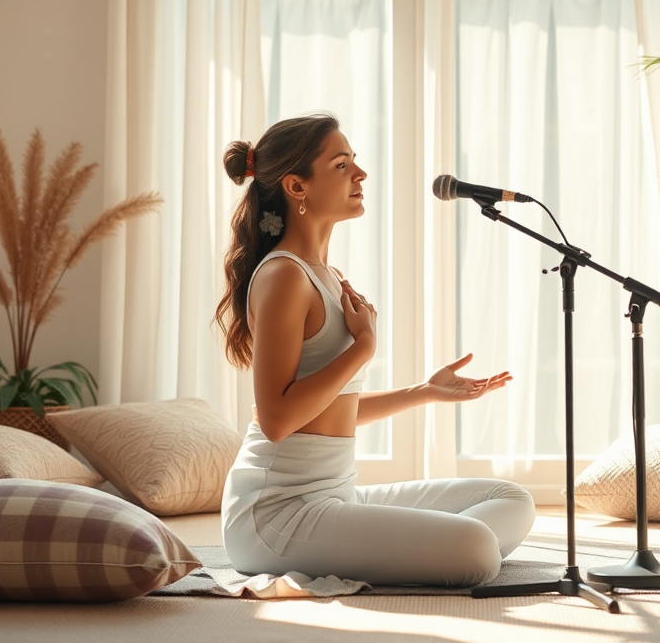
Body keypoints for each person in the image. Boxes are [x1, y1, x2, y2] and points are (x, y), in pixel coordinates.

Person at [216, 114, 535, 587]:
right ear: (296, 187)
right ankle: (443, 546)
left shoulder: (327, 275)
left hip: (337, 495)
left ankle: (428, 546)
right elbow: (278, 420)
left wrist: (424, 391)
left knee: (511, 499)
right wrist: (363, 348)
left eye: (354, 162)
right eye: (341, 165)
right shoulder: (283, 275)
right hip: (277, 514)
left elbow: (327, 410)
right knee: (477, 551)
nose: (360, 174)